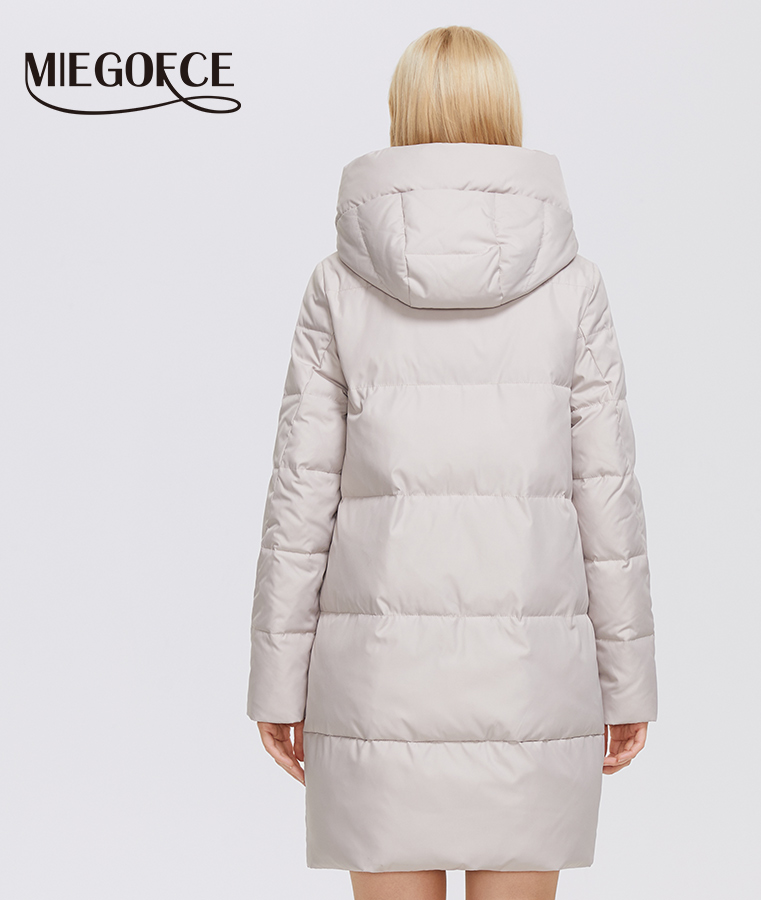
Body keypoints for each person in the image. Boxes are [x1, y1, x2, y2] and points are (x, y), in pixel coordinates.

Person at [246, 24, 658, 900]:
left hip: (376, 682)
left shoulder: (339, 284)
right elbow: (607, 501)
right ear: (506, 114)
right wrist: (627, 687)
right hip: (531, 682)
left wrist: (278, 684)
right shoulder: (573, 284)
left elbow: (300, 501)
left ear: (401, 115)